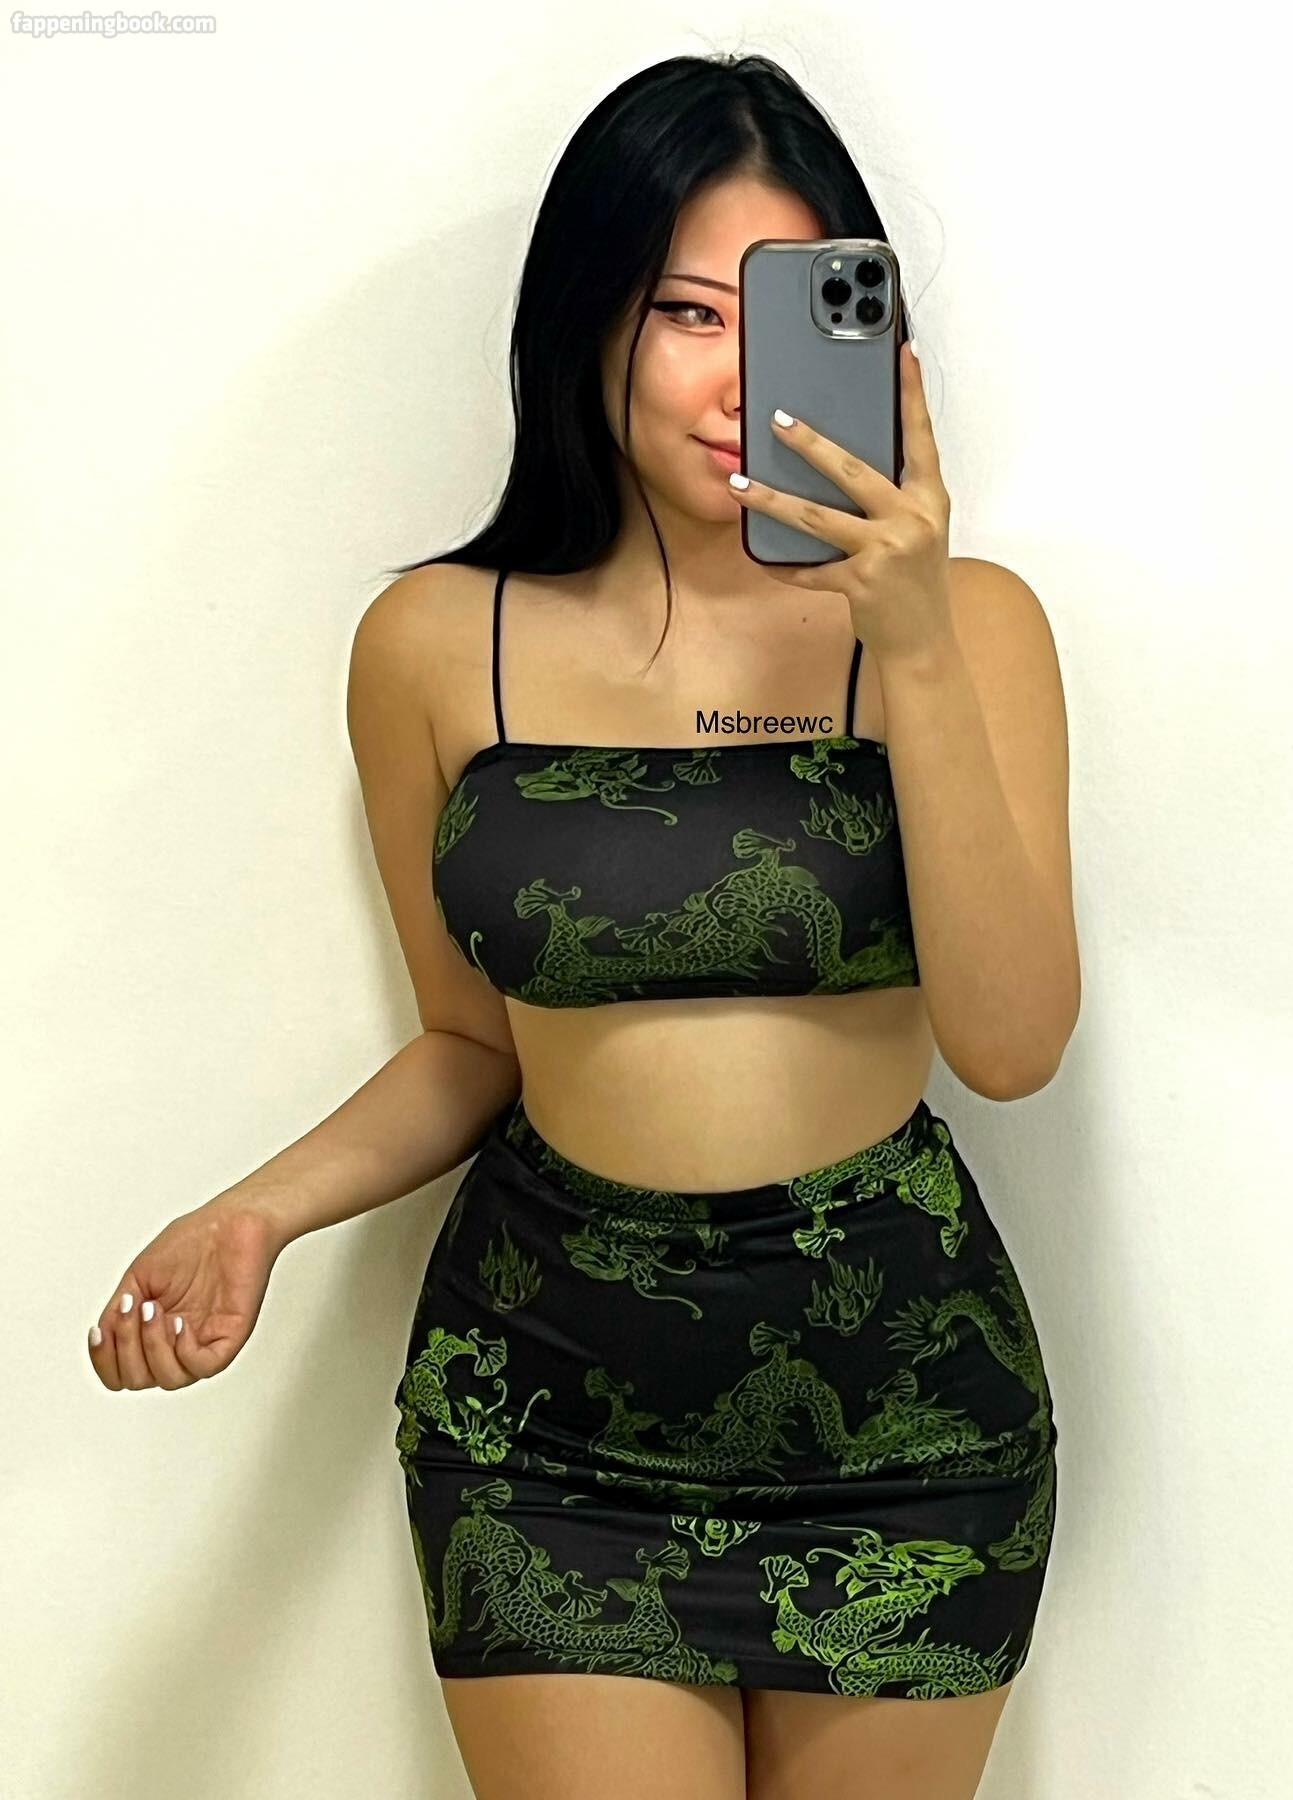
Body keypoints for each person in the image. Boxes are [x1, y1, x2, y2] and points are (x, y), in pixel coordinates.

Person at [88, 50, 1080, 1800]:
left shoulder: (975, 627)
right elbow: (470, 1043)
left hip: (905, 1415)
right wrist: (255, 1211)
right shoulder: (432, 642)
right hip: (547, 1423)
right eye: (686, 311)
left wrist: (914, 638)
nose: (736, 376)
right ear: (587, 318)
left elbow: (1010, 1045)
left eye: (783, 314)